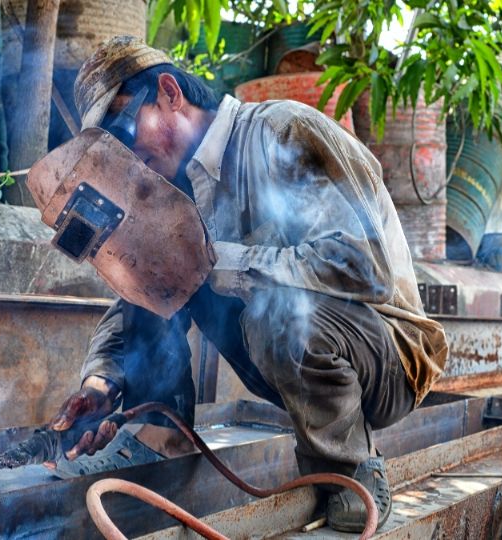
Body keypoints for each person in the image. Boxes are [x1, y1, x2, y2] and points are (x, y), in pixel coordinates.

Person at [48, 35, 448, 532]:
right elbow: (141, 295)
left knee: (273, 310)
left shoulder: (284, 131)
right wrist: (102, 382)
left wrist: (219, 261)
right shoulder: (176, 193)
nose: (126, 155)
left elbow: (364, 267)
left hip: (386, 352)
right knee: (154, 263)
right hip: (296, 355)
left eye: (125, 130)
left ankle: (351, 472)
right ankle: (159, 440)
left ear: (170, 93)